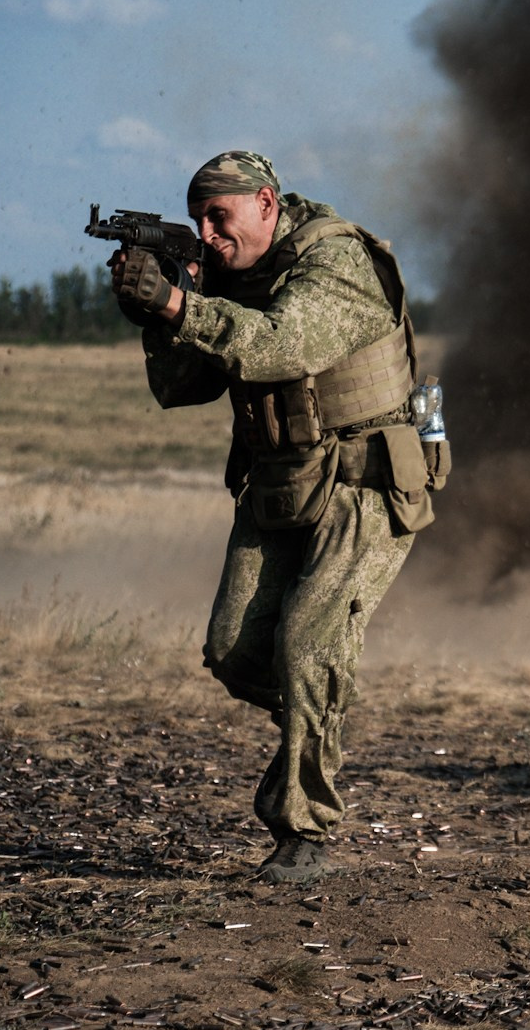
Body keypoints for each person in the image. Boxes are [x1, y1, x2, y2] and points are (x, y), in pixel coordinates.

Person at [110, 150, 443, 885]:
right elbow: (180, 387)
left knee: (306, 645)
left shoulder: (336, 262)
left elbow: (283, 345)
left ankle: (304, 834)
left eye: (218, 217)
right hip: (281, 479)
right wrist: (159, 315)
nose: (206, 231)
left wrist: (177, 305)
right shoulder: (230, 276)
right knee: (235, 649)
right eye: (196, 218)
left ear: (266, 203)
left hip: (365, 481)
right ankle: (314, 717)